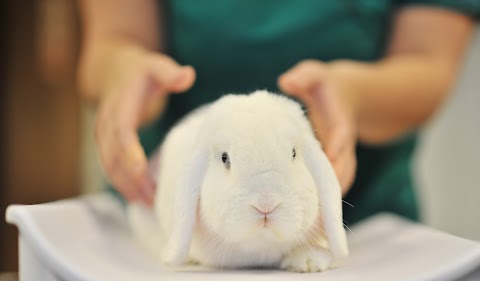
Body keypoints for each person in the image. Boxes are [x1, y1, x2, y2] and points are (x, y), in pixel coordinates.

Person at [77, 0, 479, 225]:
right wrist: (124, 73)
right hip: (151, 211)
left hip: (365, 218)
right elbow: (115, 37)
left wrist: (352, 96)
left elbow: (427, 60)